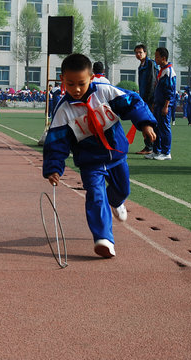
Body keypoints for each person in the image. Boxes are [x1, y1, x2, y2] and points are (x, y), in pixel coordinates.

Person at [43, 53, 156, 258]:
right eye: (70, 84)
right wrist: (53, 168)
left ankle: (116, 201)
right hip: (90, 163)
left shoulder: (105, 92)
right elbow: (56, 142)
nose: (76, 89)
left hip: (116, 156)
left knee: (122, 190)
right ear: (63, 80)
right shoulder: (63, 110)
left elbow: (133, 102)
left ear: (91, 78)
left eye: (81, 83)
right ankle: (104, 238)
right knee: (95, 195)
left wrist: (145, 123)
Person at [145, 47, 175, 161]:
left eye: (157, 56)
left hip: (164, 105)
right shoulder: (161, 70)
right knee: (156, 127)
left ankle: (166, 152)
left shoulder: (169, 71)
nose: (155, 58)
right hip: (158, 104)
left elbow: (170, 91)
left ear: (163, 58)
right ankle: (157, 150)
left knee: (165, 128)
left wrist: (166, 105)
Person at [134, 44, 157, 155]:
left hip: (150, 99)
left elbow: (152, 82)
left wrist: (150, 100)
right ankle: (148, 146)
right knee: (145, 123)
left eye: (140, 52)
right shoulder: (141, 66)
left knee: (149, 123)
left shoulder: (150, 64)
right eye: (136, 53)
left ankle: (151, 147)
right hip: (143, 98)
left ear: (145, 53)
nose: (138, 55)